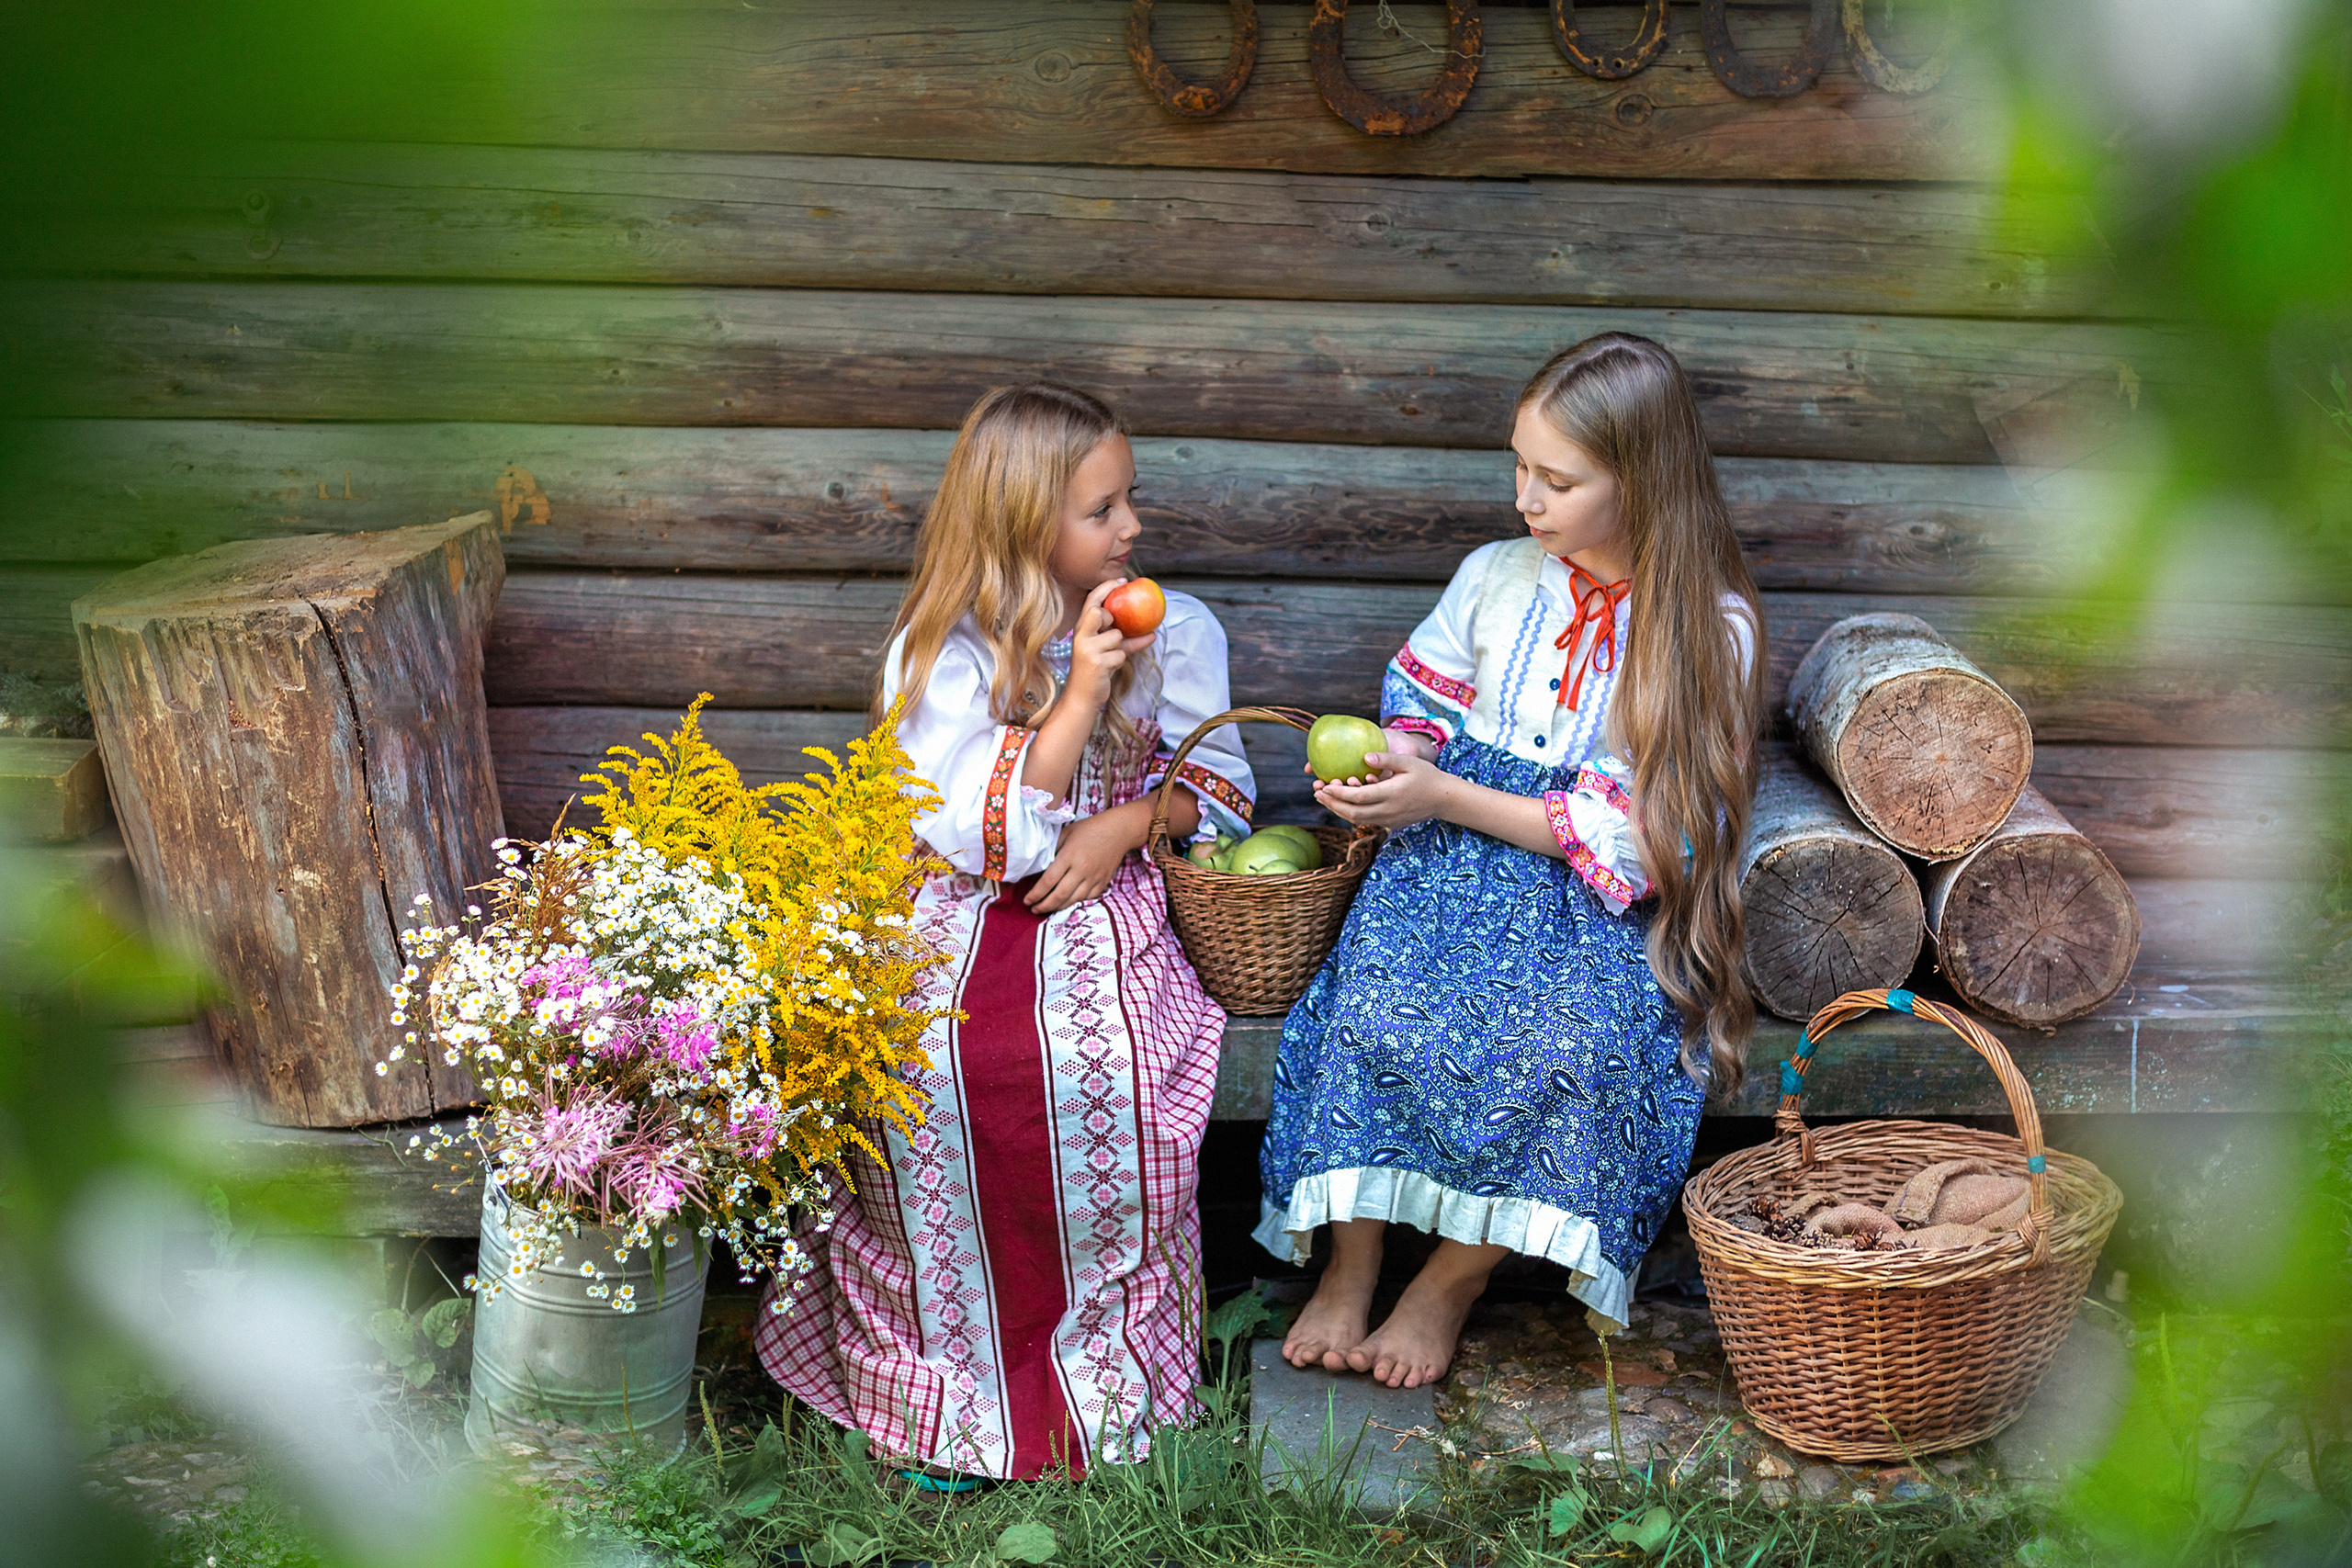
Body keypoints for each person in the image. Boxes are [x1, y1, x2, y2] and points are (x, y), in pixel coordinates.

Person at [755, 383, 1255, 1482]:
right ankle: (944, 1381)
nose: (1130, 528)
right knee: (931, 1057)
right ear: (1024, 521)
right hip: (957, 897)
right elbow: (1000, 845)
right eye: (1100, 510)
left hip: (1104, 895)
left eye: (1130, 501)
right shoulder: (944, 652)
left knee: (1096, 1058)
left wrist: (1128, 823)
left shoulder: (1177, 632)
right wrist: (1079, 689)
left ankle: (1099, 1374)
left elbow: (1215, 792)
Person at [1258, 333, 1763, 1390]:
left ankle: (1446, 1284)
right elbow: (1424, 706)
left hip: (1588, 899)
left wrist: (1444, 795)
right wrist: (1397, 768)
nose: (1526, 497)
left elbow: (1648, 836)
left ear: (1644, 482)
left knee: (1568, 1048)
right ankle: (1349, 1265)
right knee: (1369, 1006)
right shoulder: (1495, 577)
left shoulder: (1704, 630)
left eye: (1558, 479)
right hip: (1443, 865)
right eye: (1519, 465)